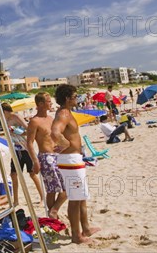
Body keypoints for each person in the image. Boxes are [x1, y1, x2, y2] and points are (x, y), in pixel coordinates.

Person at [51, 84, 100, 244]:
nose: (77, 99)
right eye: (75, 96)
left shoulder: (66, 112)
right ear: (67, 98)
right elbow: (55, 132)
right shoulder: (64, 114)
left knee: (81, 196)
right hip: (70, 161)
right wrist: (65, 144)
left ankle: (85, 228)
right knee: (75, 198)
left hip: (74, 160)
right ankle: (76, 235)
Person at [26, 92, 67, 219]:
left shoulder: (51, 119)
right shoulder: (34, 121)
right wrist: (35, 161)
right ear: (41, 104)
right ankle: (53, 216)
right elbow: (29, 143)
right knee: (52, 190)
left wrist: (63, 146)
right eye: (48, 101)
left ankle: (53, 211)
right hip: (46, 157)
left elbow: (57, 137)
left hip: (57, 156)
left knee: (66, 188)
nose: (51, 103)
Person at [1, 103, 44, 206]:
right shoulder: (5, 120)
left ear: (5, 111)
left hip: (25, 148)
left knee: (32, 174)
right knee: (14, 174)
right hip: (15, 149)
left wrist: (18, 132)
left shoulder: (16, 116)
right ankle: (16, 200)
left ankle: (42, 198)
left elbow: (29, 129)